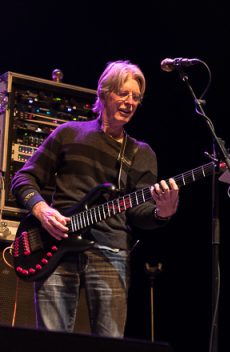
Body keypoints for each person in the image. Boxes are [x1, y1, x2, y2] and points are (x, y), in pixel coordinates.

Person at [10, 60, 179, 337]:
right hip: (55, 247)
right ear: (103, 93)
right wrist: (42, 211)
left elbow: (138, 214)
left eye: (136, 97)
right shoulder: (68, 133)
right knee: (53, 346)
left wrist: (163, 212)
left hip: (111, 252)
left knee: (109, 350)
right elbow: (23, 179)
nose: (130, 102)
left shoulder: (142, 153)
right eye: (123, 94)